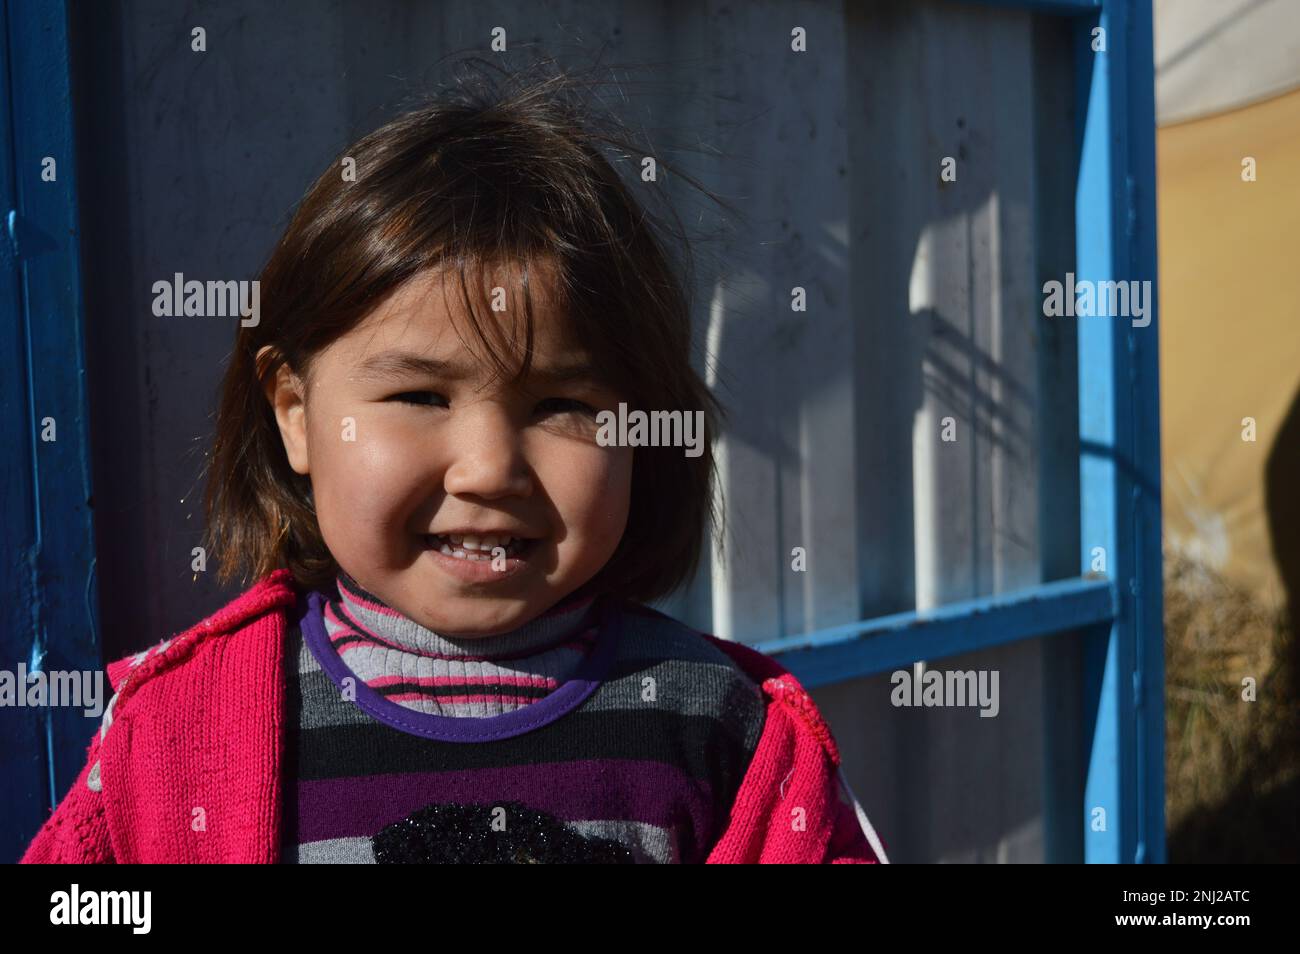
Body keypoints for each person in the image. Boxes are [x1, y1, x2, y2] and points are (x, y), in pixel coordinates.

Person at [21, 67, 886, 865]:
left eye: (562, 407)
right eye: (421, 398)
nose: (488, 471)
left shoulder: (726, 729)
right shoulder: (180, 731)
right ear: (295, 416)